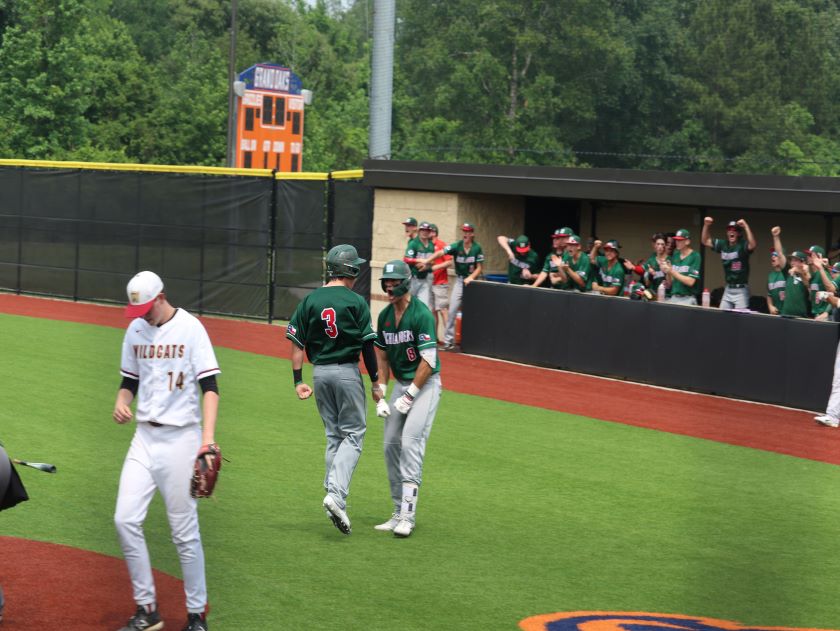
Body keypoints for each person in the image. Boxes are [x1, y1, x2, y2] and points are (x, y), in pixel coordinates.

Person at [113, 271, 220, 631]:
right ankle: (147, 609)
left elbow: (210, 386)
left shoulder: (191, 328)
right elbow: (129, 381)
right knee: (125, 519)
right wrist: (121, 401)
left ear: (161, 297)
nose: (142, 314)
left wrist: (207, 440)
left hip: (181, 439)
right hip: (144, 437)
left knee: (184, 531)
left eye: (146, 307)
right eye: (137, 309)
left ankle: (195, 615)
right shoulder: (135, 331)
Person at [286, 245, 383, 535]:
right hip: (346, 373)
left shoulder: (310, 300)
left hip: (320, 375)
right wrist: (376, 381)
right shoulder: (355, 301)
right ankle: (336, 495)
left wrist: (297, 380)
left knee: (333, 435)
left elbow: (296, 342)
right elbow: (367, 344)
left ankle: (332, 490)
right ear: (350, 270)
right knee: (354, 434)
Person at [373, 260, 442, 538]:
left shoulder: (421, 314)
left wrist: (411, 394)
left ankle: (409, 516)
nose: (389, 286)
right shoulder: (385, 316)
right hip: (401, 385)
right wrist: (381, 392)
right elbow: (381, 355)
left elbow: (429, 359)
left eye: (394, 282)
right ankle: (397, 510)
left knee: (410, 441)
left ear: (406, 282)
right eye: (386, 282)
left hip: (425, 386)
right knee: (390, 445)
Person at [421, 222, 484, 351]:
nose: (465, 234)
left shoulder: (477, 248)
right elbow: (440, 253)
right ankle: (449, 342)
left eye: (468, 232)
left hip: (473, 282)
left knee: (473, 313)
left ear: (472, 234)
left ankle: (473, 342)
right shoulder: (457, 246)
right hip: (460, 281)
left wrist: (471, 277)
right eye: (464, 231)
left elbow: (480, 268)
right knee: (452, 310)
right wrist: (427, 261)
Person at [700, 217, 756, 309]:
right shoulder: (723, 244)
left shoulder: (742, 245)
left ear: (738, 233)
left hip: (741, 289)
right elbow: (705, 241)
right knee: (722, 317)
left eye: (734, 230)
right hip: (728, 289)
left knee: (740, 319)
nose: (731, 231)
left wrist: (746, 226)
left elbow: (752, 245)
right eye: (729, 229)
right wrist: (706, 225)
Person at [662, 228, 701, 305]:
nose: (677, 242)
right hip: (674, 297)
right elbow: (670, 284)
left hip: (688, 298)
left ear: (687, 241)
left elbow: (690, 282)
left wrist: (671, 271)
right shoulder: (676, 255)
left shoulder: (695, 256)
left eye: (680, 240)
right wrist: (667, 271)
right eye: (676, 240)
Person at [427, 223, 453, 339]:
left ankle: (448, 339)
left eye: (430, 231)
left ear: (434, 233)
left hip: (440, 283)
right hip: (428, 283)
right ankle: (434, 338)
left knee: (443, 310)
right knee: (432, 312)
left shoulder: (441, 245)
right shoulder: (426, 246)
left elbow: (449, 262)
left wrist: (435, 268)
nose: (428, 233)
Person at [404, 221, 436, 307]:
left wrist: (426, 266)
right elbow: (406, 259)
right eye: (422, 230)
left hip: (424, 280)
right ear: (419, 231)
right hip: (412, 279)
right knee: (408, 305)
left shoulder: (431, 245)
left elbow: (433, 261)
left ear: (429, 232)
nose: (424, 232)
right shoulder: (414, 243)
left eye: (427, 230)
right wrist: (419, 260)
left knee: (424, 306)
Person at [807, 245, 837, 321]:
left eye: (811, 255)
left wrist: (826, 312)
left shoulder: (824, 274)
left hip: (825, 316)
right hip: (816, 315)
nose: (808, 257)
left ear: (819, 257)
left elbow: (833, 294)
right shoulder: (813, 275)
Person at [766, 229, 787, 315]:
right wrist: (770, 306)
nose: (772, 257)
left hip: (787, 313)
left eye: (775, 255)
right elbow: (769, 294)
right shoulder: (770, 276)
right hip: (776, 313)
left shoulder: (787, 272)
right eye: (772, 255)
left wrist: (776, 236)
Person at [643, 233, 669, 298]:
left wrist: (667, 272)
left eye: (662, 244)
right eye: (658, 244)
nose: (660, 246)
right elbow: (647, 283)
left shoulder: (670, 260)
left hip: (667, 296)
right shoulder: (650, 261)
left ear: (666, 245)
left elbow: (671, 283)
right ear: (655, 245)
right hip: (653, 295)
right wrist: (649, 274)